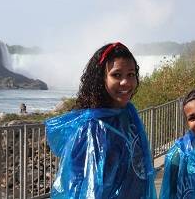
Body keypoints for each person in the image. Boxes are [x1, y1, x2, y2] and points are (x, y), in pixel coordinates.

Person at [45, 42, 156, 199]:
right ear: (101, 79)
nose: (126, 82)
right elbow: (76, 186)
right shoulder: (90, 128)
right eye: (116, 75)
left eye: (131, 74)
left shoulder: (129, 114)